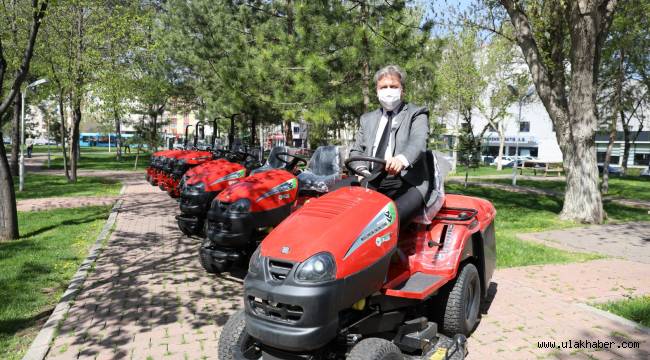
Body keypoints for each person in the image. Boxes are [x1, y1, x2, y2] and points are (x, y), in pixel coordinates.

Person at [349, 65, 430, 225]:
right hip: (371, 178)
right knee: (335, 202)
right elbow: (355, 151)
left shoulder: (417, 113)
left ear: (402, 90)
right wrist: (363, 172)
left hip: (407, 182)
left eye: (393, 86)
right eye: (383, 87)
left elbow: (418, 142)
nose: (388, 91)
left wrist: (401, 159)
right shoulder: (367, 119)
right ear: (377, 92)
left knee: (385, 222)